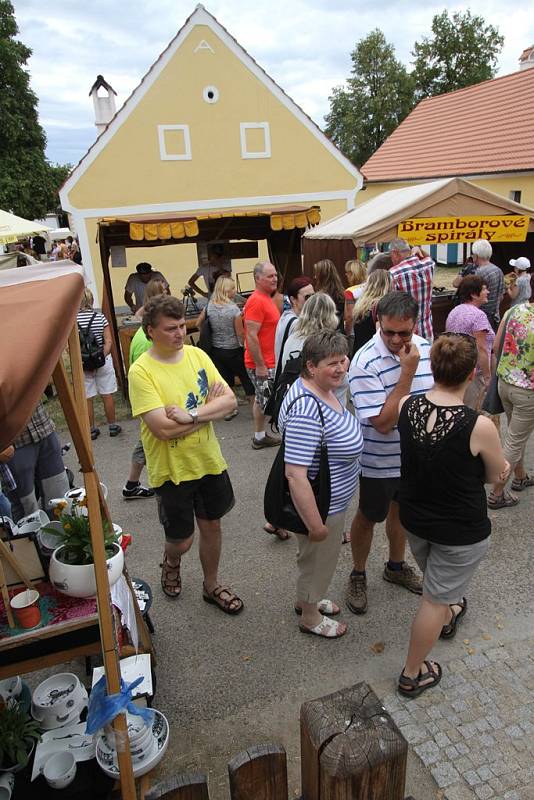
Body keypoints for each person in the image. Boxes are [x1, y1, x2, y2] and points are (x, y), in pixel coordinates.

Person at [396, 333, 508, 697]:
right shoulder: (479, 426)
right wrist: (504, 469)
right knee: (434, 599)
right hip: (458, 528)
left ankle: (450, 607)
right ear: (472, 371)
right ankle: (412, 672)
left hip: (415, 518)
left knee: (438, 581)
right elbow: (494, 476)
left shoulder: (406, 407)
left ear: (432, 367)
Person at [128, 295, 243, 613]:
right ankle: (172, 560)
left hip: (207, 460)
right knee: (182, 540)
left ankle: (211, 584)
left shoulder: (197, 355)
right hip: (171, 468)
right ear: (150, 331)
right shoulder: (141, 372)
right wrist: (209, 412)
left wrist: (191, 416)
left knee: (212, 526)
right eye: (170, 328)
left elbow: (230, 401)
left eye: (182, 326)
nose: (180, 333)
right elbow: (162, 430)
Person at [346, 292, 435, 615]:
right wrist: (407, 375)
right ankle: (358, 572)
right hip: (378, 459)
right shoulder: (364, 361)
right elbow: (383, 423)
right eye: (389, 332)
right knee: (369, 515)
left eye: (404, 333)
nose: (397, 340)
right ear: (377, 322)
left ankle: (395, 567)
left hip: (415, 458)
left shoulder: (426, 348)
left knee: (402, 513)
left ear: (415, 324)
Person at [278, 331, 363, 638]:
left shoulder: (319, 389)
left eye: (343, 360)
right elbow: (295, 475)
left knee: (315, 559)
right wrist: (316, 524)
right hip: (321, 504)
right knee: (318, 558)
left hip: (330, 498)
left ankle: (308, 599)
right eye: (332, 363)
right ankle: (310, 616)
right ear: (311, 366)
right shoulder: (306, 410)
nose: (341, 368)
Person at [487, 296, 534, 509]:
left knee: (516, 435)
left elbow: (496, 347)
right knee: (515, 441)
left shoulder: (514, 311)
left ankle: (520, 476)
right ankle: (497, 493)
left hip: (505, 383)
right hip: (528, 391)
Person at [196, 275, 255, 419]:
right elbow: (240, 332)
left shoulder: (209, 305)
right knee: (246, 379)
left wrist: (208, 335)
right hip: (233, 350)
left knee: (225, 381)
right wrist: (244, 345)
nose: (235, 291)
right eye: (233, 288)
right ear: (226, 290)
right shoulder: (233, 309)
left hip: (216, 350)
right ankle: (255, 408)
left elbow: (199, 323)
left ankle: (229, 410)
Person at [6, 401, 70, 522]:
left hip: (43, 428)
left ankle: (65, 537)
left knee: (60, 499)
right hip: (13, 442)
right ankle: (31, 539)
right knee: (27, 510)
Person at [243, 261, 282, 449]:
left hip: (267, 361)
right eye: (270, 276)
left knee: (262, 399)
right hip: (262, 363)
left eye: (275, 275)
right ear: (258, 279)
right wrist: (260, 365)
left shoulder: (266, 298)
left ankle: (260, 436)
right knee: (267, 399)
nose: (275, 278)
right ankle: (260, 437)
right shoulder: (257, 300)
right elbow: (251, 334)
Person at [77, 287, 121, 440]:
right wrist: (102, 355)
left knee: (88, 397)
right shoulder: (100, 317)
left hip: (83, 363)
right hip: (102, 360)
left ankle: (91, 429)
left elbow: (70, 345)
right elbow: (108, 340)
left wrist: (80, 358)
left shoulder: (73, 320)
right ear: (91, 301)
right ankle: (112, 425)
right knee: (106, 394)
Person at [445, 275, 494, 410]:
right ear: (473, 294)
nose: (488, 292)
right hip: (473, 373)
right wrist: (487, 377)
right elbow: (481, 348)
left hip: (456, 368)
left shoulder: (455, 311)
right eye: (484, 289)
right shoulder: (479, 316)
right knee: (471, 410)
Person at [389, 239, 435, 341]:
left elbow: (392, 307)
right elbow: (428, 257)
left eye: (391, 256)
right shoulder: (429, 265)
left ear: (395, 253)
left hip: (407, 334)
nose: (391, 260)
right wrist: (418, 249)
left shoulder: (394, 273)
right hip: (427, 331)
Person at [274, 276, 315, 363]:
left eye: (313, 296)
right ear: (293, 300)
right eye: (307, 297)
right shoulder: (296, 323)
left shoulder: (285, 316)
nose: (312, 301)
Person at [351, 270, 393, 354]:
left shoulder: (361, 305)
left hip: (359, 351)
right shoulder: (381, 306)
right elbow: (380, 337)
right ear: (387, 285)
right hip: (373, 354)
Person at [470, 239, 504, 332]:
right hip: (495, 317)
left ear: (476, 256)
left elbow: (474, 298)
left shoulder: (479, 273)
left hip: (481, 318)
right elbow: (501, 296)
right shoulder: (498, 270)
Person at [313, 259, 345, 328]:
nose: (315, 277)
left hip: (325, 334)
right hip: (339, 333)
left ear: (322, 276)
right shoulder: (341, 293)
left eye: (316, 274)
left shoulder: (321, 297)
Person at [343, 260, 367, 336]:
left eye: (347, 272)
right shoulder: (370, 286)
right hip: (370, 328)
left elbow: (349, 316)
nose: (346, 275)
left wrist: (347, 334)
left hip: (355, 332)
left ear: (352, 274)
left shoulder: (350, 292)